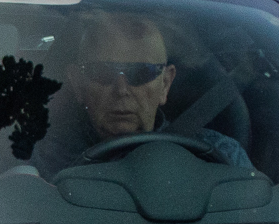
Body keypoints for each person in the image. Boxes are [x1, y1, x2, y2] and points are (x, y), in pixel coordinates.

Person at [26, 12, 252, 176]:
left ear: (165, 83)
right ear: (77, 84)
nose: (122, 90)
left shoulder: (222, 156)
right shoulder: (41, 161)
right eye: (103, 72)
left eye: (141, 73)